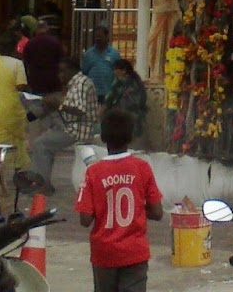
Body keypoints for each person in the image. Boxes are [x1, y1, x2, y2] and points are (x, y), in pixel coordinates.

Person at [77, 108, 164, 292]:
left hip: (104, 254)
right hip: (135, 252)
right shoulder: (142, 167)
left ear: (103, 138)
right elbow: (157, 213)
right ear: (130, 137)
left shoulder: (93, 172)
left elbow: (85, 220)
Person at [31, 56, 103, 192]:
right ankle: (42, 180)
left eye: (62, 72)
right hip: (74, 125)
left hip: (79, 128)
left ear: (72, 70)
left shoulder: (80, 84)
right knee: (46, 138)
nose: (60, 76)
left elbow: (79, 110)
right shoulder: (79, 82)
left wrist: (59, 104)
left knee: (40, 143)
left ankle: (41, 183)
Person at [0, 25, 30, 173]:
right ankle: (18, 174)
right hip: (12, 110)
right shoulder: (17, 64)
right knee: (17, 143)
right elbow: (21, 86)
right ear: (15, 46)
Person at [106, 58, 149, 141]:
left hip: (130, 117)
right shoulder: (122, 81)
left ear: (124, 71)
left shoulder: (131, 83)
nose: (114, 72)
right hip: (125, 118)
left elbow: (132, 103)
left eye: (115, 69)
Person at [22, 16, 65, 95]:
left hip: (36, 79)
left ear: (36, 29)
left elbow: (26, 61)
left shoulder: (30, 43)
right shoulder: (55, 42)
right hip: (52, 79)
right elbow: (62, 59)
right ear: (47, 28)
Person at [82, 25, 121, 101]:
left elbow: (118, 74)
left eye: (100, 36)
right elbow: (84, 73)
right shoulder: (88, 54)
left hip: (109, 94)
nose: (98, 39)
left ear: (107, 37)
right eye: (96, 36)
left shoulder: (114, 54)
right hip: (91, 95)